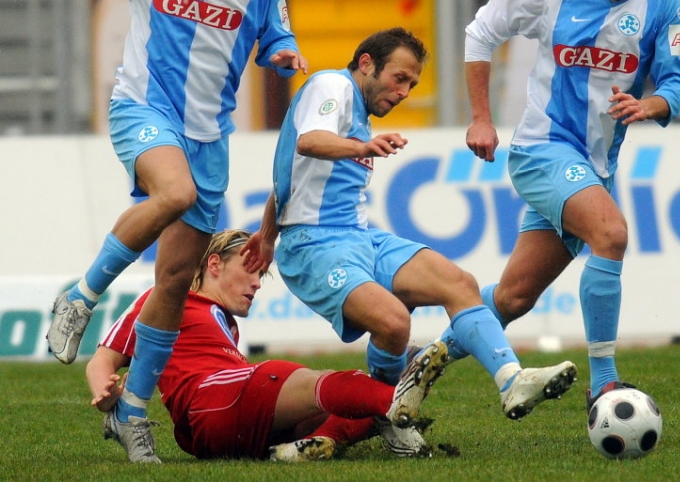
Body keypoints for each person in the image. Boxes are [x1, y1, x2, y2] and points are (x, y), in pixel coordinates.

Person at [10, 0, 308, 462]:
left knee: (174, 282)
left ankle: (134, 410)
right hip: (144, 108)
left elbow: (273, 31)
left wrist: (284, 52)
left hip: (209, 135)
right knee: (171, 194)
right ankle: (81, 295)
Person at [242, 27, 578, 426]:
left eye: (412, 84)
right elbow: (310, 143)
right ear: (366, 63)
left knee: (459, 283)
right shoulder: (332, 85)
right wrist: (362, 148)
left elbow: (289, 177)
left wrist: (265, 234)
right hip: (313, 245)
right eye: (399, 78)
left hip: (360, 236)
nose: (404, 92)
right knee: (394, 323)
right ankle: (383, 418)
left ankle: (511, 380)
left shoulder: (357, 112)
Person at [439, 0, 680, 412]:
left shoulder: (661, 2)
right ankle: (605, 383)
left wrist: (650, 105)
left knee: (514, 297)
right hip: (542, 150)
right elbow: (480, 32)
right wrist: (482, 119)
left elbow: (678, 85)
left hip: (595, 167)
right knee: (612, 234)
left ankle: (418, 365)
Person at [87, 229, 449, 462]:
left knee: (350, 406)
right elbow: (103, 358)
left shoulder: (224, 322)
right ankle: (395, 401)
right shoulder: (168, 299)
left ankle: (313, 444)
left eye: (261, 276)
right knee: (289, 376)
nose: (257, 284)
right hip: (210, 401)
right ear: (215, 263)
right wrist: (104, 392)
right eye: (251, 272)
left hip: (233, 426)